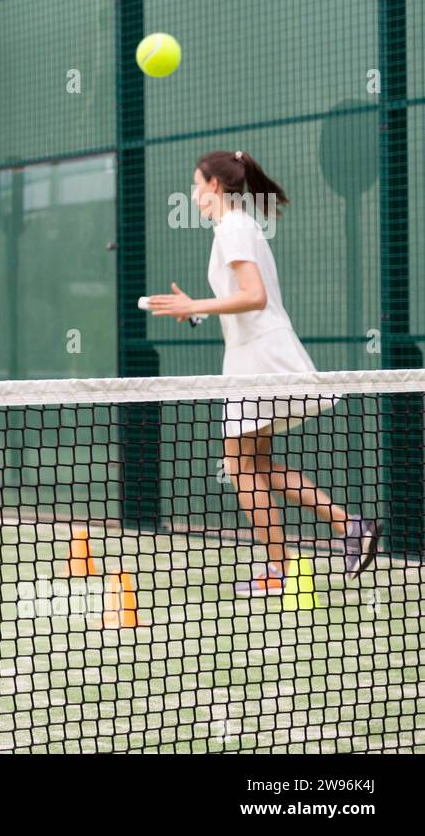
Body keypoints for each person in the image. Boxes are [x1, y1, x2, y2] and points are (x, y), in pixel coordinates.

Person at [148, 150, 378, 597]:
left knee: (239, 467)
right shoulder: (239, 226)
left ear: (215, 185)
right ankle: (349, 526)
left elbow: (253, 296)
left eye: (197, 186)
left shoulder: (233, 227)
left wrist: (196, 305)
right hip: (256, 353)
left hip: (258, 359)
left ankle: (279, 570)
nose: (195, 196)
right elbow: (249, 301)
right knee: (254, 465)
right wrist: (196, 313)